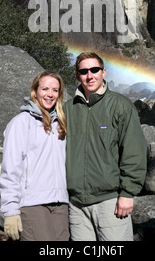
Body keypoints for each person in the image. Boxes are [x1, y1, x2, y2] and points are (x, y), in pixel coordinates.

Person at [63, 52, 147, 241]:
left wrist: (128, 193)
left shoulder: (120, 105)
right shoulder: (68, 109)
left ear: (104, 72)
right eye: (83, 71)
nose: (89, 75)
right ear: (77, 76)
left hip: (110, 202)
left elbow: (134, 150)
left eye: (95, 70)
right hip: (76, 205)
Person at [0, 70, 69, 241]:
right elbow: (10, 168)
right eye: (45, 89)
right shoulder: (21, 122)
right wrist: (10, 210)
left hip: (60, 203)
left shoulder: (61, 124)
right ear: (35, 91)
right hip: (32, 204)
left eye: (55, 90)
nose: (49, 94)